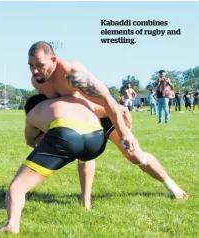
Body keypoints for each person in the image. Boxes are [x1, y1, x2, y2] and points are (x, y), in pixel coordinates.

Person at [27, 41, 187, 205]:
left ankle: (172, 186)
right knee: (85, 155)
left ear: (53, 60)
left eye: (40, 65)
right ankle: (85, 202)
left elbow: (108, 102)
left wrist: (125, 133)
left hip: (106, 114)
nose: (35, 70)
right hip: (83, 120)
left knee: (136, 156)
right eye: (31, 65)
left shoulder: (72, 73)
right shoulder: (38, 81)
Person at [0, 94, 113, 234]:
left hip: (65, 137)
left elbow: (29, 141)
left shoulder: (35, 112)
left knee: (17, 187)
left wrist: (44, 139)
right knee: (86, 156)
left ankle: (12, 225)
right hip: (95, 138)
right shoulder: (73, 100)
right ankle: (86, 203)